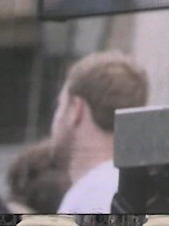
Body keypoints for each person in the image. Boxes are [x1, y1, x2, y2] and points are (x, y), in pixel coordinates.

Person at [52, 51, 149, 215]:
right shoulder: (141, 189)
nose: (56, 118)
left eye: (59, 106)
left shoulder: (88, 197)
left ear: (76, 109)